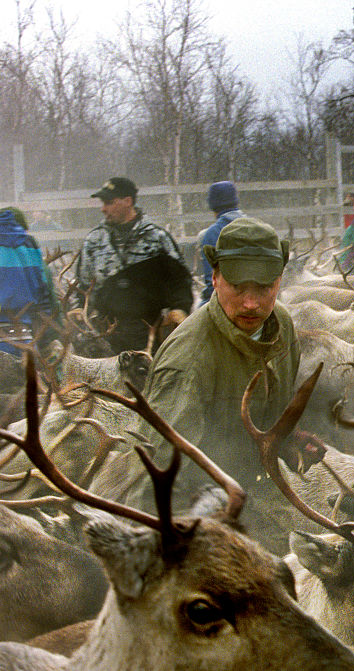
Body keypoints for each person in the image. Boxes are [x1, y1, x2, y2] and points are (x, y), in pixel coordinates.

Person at [113, 217, 303, 551]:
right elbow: (155, 480)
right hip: (200, 516)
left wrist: (286, 441)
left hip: (262, 494)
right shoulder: (188, 361)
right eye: (238, 287)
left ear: (279, 280)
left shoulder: (282, 327)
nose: (251, 302)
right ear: (214, 279)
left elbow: (266, 423)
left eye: (264, 288)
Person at [72, 177, 192, 352]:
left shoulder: (157, 238)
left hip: (151, 335)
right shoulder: (94, 241)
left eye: (109, 202)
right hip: (105, 336)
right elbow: (82, 285)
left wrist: (180, 309)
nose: (103, 209)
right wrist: (78, 309)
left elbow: (180, 281)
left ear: (127, 201)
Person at [0, 207, 60, 355]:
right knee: (29, 377)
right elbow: (45, 298)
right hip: (26, 337)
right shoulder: (30, 245)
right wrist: (49, 338)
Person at [198, 181, 246, 305]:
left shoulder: (212, 234)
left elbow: (212, 282)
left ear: (213, 206)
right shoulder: (258, 227)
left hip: (228, 301)